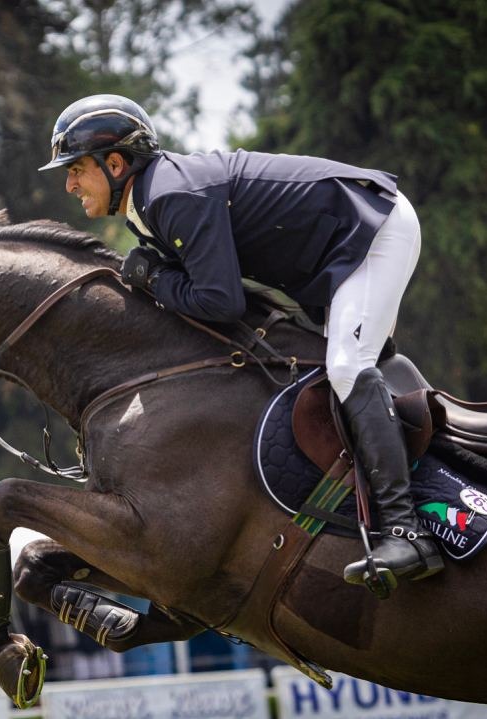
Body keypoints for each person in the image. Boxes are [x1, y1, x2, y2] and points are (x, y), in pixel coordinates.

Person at [39, 94, 443, 592]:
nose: (69, 183)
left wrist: (153, 282)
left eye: (76, 168)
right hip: (335, 250)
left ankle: (408, 531)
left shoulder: (169, 196)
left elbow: (220, 300)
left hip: (370, 231)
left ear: (116, 163)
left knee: (346, 366)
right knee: (336, 363)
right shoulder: (151, 202)